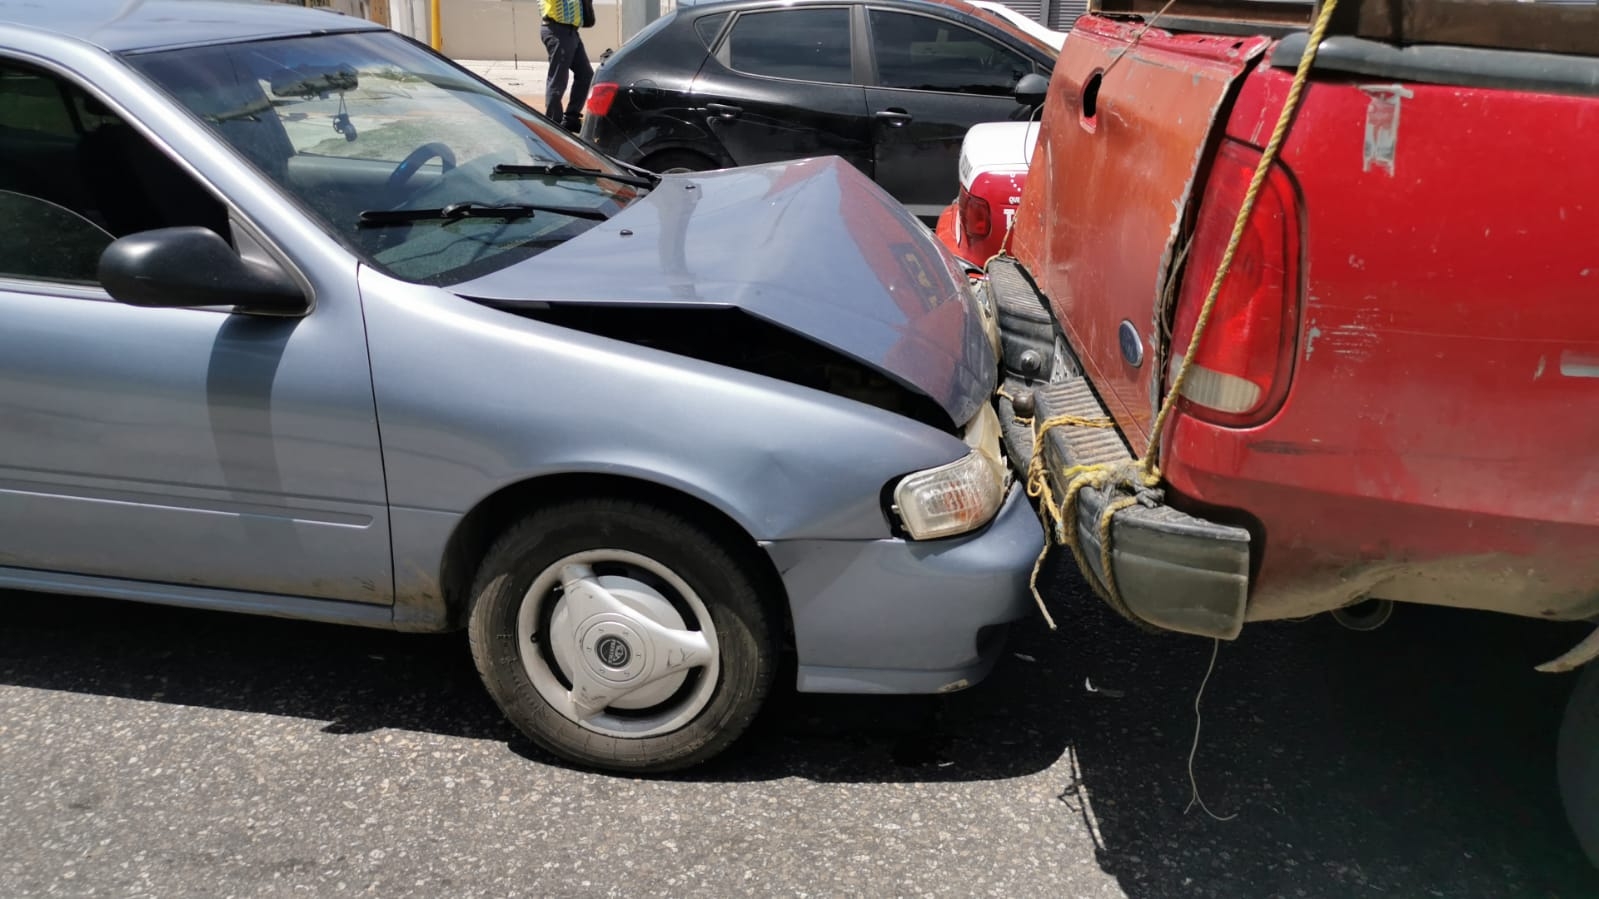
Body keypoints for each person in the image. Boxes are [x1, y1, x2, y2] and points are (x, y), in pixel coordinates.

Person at [540, 0, 592, 133]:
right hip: (557, 29)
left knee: (585, 74)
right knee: (558, 79)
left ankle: (571, 119)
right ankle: (553, 123)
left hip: (571, 31)